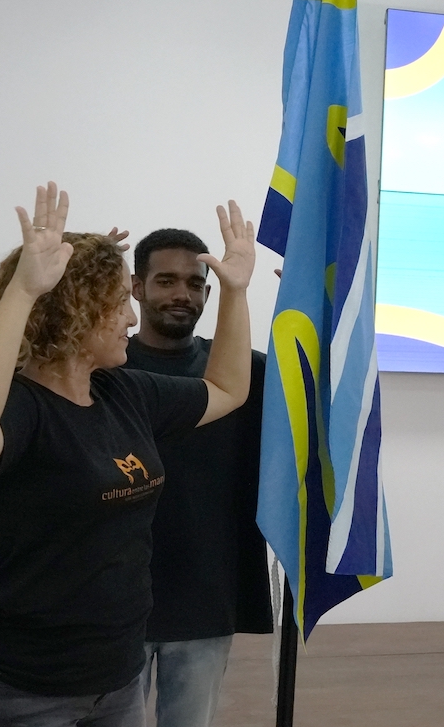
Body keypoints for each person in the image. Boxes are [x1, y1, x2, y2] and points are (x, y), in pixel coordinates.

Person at [0, 182, 255, 727]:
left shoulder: (123, 391)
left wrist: (237, 293)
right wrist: (24, 291)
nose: (131, 318)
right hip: (20, 690)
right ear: (78, 313)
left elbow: (227, 389)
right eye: (117, 303)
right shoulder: (21, 409)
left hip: (117, 681)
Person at [123, 228, 272, 727]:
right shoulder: (103, 373)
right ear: (136, 287)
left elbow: (316, 402)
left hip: (205, 594)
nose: (182, 294)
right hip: (114, 597)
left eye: (194, 283)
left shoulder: (246, 373)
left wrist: (318, 312)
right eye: (166, 281)